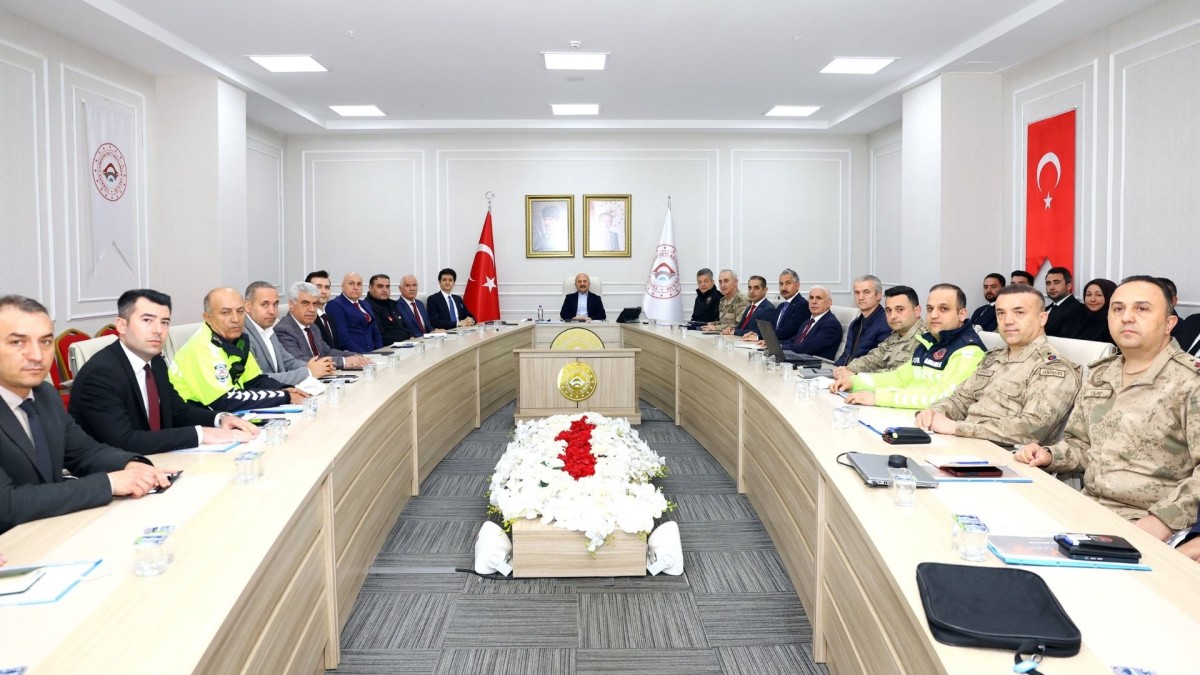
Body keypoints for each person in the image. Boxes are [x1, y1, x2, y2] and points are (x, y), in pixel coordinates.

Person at [1015, 276, 1200, 545]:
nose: (1127, 317)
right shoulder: (1100, 375)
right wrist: (1048, 455)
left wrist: (1163, 520)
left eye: (1142, 309)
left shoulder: (1190, 381)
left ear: (1169, 323)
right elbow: (1082, 445)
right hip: (1087, 508)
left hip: (1151, 522)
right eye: (1118, 309)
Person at [0, 295, 170, 533]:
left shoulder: (45, 395)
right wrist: (109, 483)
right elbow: (7, 505)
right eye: (18, 342)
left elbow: (85, 452)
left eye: (45, 341)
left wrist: (131, 464)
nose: (37, 355)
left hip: (48, 528)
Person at [69, 289, 261, 455]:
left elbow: (178, 411)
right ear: (122, 325)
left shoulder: (155, 362)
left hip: (157, 460)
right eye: (147, 320)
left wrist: (220, 419)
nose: (158, 330)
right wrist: (201, 434)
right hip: (115, 471)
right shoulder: (101, 373)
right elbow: (124, 441)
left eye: (164, 322)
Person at [915, 284, 1081, 445]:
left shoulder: (1052, 367)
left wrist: (958, 428)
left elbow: (1032, 429)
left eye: (1019, 312)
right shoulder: (993, 358)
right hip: (963, 442)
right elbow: (960, 400)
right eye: (1001, 313)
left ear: (1042, 318)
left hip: (1004, 455)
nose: (1008, 321)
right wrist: (934, 412)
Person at [832, 284, 985, 409]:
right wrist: (855, 382)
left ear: (962, 314)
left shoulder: (969, 351)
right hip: (907, 414)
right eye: (930, 309)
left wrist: (878, 397)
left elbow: (943, 396)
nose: (934, 315)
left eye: (943, 309)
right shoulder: (930, 342)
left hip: (929, 427)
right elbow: (899, 377)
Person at [168, 288, 305, 412]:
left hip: (229, 415)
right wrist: (283, 396)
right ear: (208, 318)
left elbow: (254, 381)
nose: (236, 319)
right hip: (196, 420)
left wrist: (284, 388)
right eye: (226, 312)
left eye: (240, 311)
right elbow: (225, 401)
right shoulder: (202, 347)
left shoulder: (238, 341)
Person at [243, 281, 335, 384]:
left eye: (275, 304)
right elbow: (257, 380)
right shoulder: (242, 336)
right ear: (248, 306)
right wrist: (308, 372)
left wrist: (311, 367)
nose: (272, 311)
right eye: (265, 304)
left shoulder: (268, 330)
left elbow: (288, 362)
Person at [274, 282, 373, 369]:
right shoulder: (284, 329)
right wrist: (343, 362)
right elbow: (299, 361)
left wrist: (355, 356)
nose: (312, 309)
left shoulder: (313, 327)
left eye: (314, 304)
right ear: (292, 304)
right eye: (305, 303)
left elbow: (327, 352)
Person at [833, 285, 925, 376]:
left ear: (917, 311)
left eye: (900, 309)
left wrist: (856, 376)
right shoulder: (895, 336)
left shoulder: (926, 339)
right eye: (888, 310)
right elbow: (872, 359)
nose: (893, 316)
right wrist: (849, 369)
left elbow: (897, 376)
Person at [833, 275, 890, 366]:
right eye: (857, 292)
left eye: (866, 292)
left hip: (861, 373)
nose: (860, 297)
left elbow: (878, 363)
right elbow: (846, 357)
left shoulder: (886, 323)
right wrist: (833, 369)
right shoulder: (855, 323)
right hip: (846, 371)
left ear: (878, 295)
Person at [742, 269, 810, 342]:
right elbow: (771, 328)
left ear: (797, 285)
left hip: (785, 346)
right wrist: (755, 334)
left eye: (788, 283)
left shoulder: (803, 305)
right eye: (781, 284)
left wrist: (759, 337)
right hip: (771, 344)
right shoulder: (781, 306)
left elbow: (788, 331)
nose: (783, 288)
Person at [778, 286, 842, 360]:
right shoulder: (807, 322)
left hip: (813, 364)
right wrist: (774, 344)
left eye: (818, 298)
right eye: (811, 298)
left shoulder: (831, 324)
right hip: (796, 359)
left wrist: (781, 347)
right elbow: (794, 341)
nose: (814, 302)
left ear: (829, 303)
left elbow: (808, 347)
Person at [325, 272, 383, 353]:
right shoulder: (335, 305)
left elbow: (376, 333)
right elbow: (342, 338)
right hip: (354, 355)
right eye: (351, 283)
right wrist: (363, 355)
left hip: (374, 353)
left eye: (359, 284)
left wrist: (379, 351)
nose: (356, 287)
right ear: (342, 286)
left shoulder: (366, 304)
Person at [364, 274, 411, 345]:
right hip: (384, 348)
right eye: (380, 286)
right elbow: (381, 336)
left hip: (402, 344)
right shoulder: (366, 307)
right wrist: (405, 336)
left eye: (387, 287)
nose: (385, 290)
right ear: (370, 288)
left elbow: (405, 327)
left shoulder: (393, 304)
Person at [1043, 266, 1087, 339]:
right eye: (1048, 283)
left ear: (1069, 286)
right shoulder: (1045, 309)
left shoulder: (1079, 310)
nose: (1051, 287)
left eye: (1056, 283)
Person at [305, 270, 339, 349]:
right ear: (307, 290)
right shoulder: (306, 317)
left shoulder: (330, 315)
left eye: (327, 287)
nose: (324, 292)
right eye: (319, 287)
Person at [1078, 278, 1117, 344]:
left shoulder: (1115, 323)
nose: (1092, 299)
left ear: (1110, 296)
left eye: (1098, 295)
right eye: (1088, 295)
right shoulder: (1078, 318)